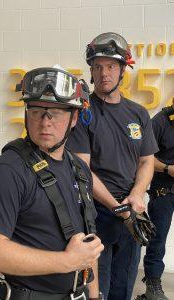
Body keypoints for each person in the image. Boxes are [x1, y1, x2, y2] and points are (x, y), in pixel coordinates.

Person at [0, 67, 104, 300]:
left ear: (74, 118)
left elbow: (87, 246)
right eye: (36, 111)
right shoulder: (7, 171)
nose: (45, 122)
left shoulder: (79, 170)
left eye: (55, 112)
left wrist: (93, 295)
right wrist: (66, 261)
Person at [66, 32, 158, 300]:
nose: (104, 73)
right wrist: (117, 208)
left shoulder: (138, 113)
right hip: (97, 215)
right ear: (91, 71)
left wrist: (137, 194)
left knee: (124, 285)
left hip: (132, 212)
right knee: (98, 289)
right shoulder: (83, 113)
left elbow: (146, 160)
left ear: (122, 71)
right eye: (98, 66)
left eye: (111, 66)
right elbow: (82, 169)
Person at [137, 98, 174, 300]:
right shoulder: (160, 121)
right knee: (157, 239)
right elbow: (145, 157)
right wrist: (169, 169)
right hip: (164, 191)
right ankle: (153, 286)